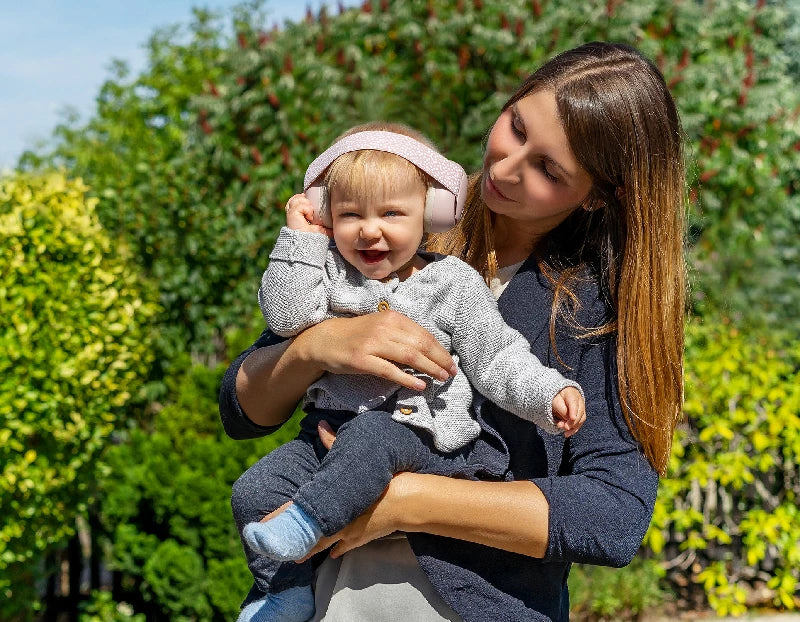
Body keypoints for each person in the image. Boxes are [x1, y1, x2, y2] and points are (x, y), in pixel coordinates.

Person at [220, 41, 686, 622]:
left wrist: (404, 502)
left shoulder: (593, 307)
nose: (505, 167)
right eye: (516, 126)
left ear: (596, 196)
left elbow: (614, 515)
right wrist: (318, 347)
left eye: (547, 169)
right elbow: (243, 408)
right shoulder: (395, 216)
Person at [237, 121, 586, 622]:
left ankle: (306, 522)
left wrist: (548, 394)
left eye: (392, 213)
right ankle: (285, 591)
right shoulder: (327, 271)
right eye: (349, 214)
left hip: (420, 435)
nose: (369, 229)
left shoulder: (451, 283)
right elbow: (288, 317)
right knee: (254, 489)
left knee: (376, 434)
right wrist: (300, 240)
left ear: (432, 213)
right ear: (326, 215)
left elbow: (497, 357)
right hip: (327, 439)